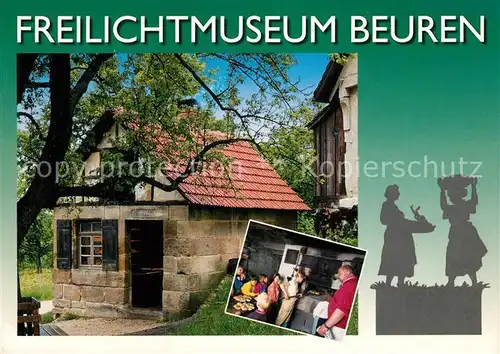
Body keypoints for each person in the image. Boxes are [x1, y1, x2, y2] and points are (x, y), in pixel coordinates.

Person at [378, 185, 434, 287]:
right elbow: (384, 220)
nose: (399, 194)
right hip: (395, 239)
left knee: (400, 261)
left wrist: (417, 217)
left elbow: (404, 223)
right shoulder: (387, 205)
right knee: (394, 260)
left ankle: (398, 284)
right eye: (397, 192)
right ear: (391, 193)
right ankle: (391, 284)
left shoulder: (391, 206)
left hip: (400, 238)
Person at [438, 176, 487, 286]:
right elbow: (444, 205)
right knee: (454, 257)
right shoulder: (454, 208)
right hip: (458, 234)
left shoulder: (464, 205)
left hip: (465, 233)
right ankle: (452, 281)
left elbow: (474, 201)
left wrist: (474, 187)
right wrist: (442, 190)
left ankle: (470, 281)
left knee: (468, 257)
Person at [317, 265, 358, 341]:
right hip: (338, 326)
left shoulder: (349, 286)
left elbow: (341, 310)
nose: (338, 275)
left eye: (340, 273)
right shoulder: (351, 283)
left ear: (348, 272)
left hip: (339, 328)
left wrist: (325, 326)